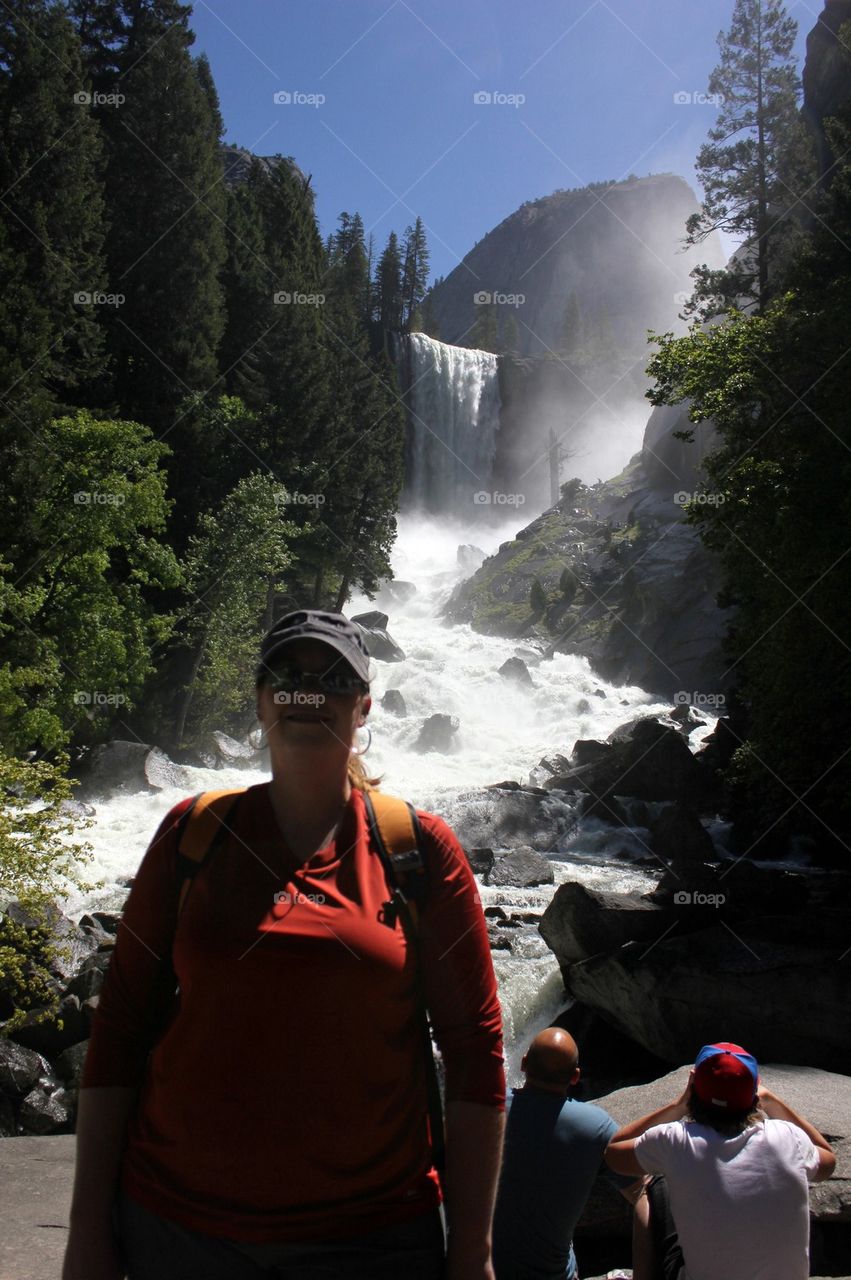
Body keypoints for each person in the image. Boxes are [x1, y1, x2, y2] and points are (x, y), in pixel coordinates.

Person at [63, 609, 506, 1280]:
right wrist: (87, 1234)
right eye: (287, 675)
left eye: (331, 679)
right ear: (261, 699)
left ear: (362, 707)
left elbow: (475, 1051)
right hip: (178, 1228)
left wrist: (473, 1250)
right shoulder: (193, 835)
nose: (307, 692)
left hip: (370, 1239)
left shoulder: (418, 852)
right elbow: (121, 1028)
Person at [605, 1041, 836, 1280]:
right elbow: (827, 1161)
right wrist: (772, 1101)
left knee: (653, 1188)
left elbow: (614, 1154)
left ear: (693, 1085)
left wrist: (677, 1106)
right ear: (755, 1091)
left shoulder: (674, 1140)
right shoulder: (789, 1138)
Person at [492, 1027, 643, 1280]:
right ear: (575, 1077)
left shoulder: (487, 1109)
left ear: (523, 1063)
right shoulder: (595, 1127)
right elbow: (640, 1193)